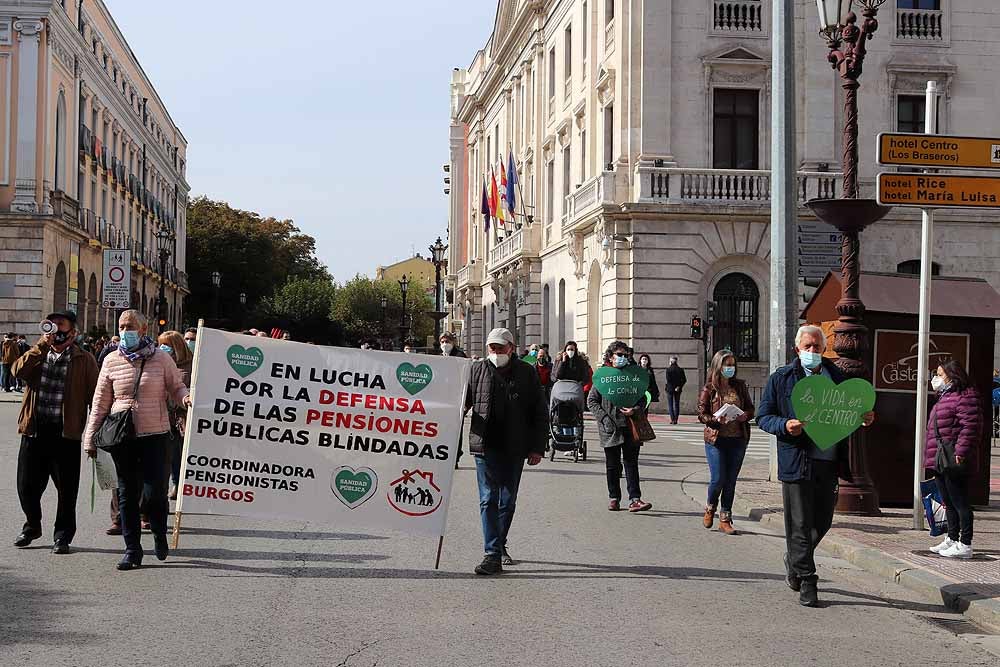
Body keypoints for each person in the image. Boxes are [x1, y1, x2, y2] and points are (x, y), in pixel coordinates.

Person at [757, 325, 875, 607]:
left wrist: (863, 417)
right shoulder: (782, 379)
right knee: (799, 523)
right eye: (807, 346)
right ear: (797, 349)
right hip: (797, 460)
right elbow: (764, 416)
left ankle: (795, 559)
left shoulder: (837, 377)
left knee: (821, 522)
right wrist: (785, 425)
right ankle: (808, 579)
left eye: (817, 347)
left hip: (829, 461)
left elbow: (848, 413)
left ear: (824, 349)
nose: (813, 352)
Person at [82, 310, 191, 571]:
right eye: (121, 326)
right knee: (127, 494)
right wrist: (90, 438)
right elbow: (100, 402)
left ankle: (158, 535)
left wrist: (185, 398)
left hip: (156, 435)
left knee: (154, 494)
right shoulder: (110, 360)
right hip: (123, 437)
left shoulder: (161, 359)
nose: (124, 331)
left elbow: (177, 386)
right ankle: (132, 550)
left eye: (129, 326)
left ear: (143, 330)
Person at [12, 311, 99, 553]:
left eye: (61, 325)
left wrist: (95, 430)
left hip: (65, 432)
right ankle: (32, 526)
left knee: (67, 489)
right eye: (52, 325)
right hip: (35, 429)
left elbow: (95, 397)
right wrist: (41, 346)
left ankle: (62, 536)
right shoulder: (38, 352)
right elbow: (17, 372)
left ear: (73, 332)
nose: (56, 330)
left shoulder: (85, 359)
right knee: (26, 485)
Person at [465, 328, 547, 575]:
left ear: (512, 348)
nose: (496, 352)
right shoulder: (476, 370)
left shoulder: (527, 373)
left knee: (507, 501)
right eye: (492, 347)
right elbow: (463, 401)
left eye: (501, 347)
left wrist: (537, 447)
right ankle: (492, 553)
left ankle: (499, 544)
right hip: (484, 444)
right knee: (488, 498)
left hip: (514, 446)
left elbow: (539, 412)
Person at [925, 360, 982, 559]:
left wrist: (961, 451)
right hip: (941, 457)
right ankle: (952, 538)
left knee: (960, 501)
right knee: (947, 501)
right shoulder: (945, 396)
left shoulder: (965, 396)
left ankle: (965, 543)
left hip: (954, 457)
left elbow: (970, 427)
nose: (936, 378)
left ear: (952, 375)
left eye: (940, 374)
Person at [588, 341, 653, 513]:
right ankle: (614, 497)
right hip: (610, 428)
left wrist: (635, 410)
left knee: (631, 463)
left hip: (630, 425)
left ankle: (635, 499)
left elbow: (643, 397)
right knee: (613, 465)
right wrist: (604, 419)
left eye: (625, 355)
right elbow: (592, 401)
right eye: (619, 355)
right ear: (611, 357)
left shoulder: (633, 375)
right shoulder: (603, 376)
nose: (623, 358)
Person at [697, 350, 755, 535]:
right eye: (726, 365)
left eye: (732, 365)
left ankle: (725, 518)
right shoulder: (709, 389)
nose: (730, 368)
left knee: (730, 480)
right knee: (718, 478)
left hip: (738, 438)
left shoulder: (739, 386)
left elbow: (750, 408)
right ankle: (710, 507)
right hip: (716, 439)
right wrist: (714, 419)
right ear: (718, 366)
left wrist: (746, 415)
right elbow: (702, 414)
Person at [158, 330, 194, 500]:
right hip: (160, 415)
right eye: (161, 344)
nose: (163, 348)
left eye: (167, 345)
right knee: (164, 458)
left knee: (177, 456)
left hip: (180, 417)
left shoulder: (191, 365)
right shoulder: (159, 363)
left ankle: (178, 484)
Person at [665, 357, 686, 425]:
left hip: (670, 389)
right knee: (677, 404)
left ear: (671, 362)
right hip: (678, 389)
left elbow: (669, 380)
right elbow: (684, 380)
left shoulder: (668, 370)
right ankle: (676, 419)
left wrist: (673, 387)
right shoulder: (680, 370)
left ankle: (672, 419)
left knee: (670, 405)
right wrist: (679, 386)